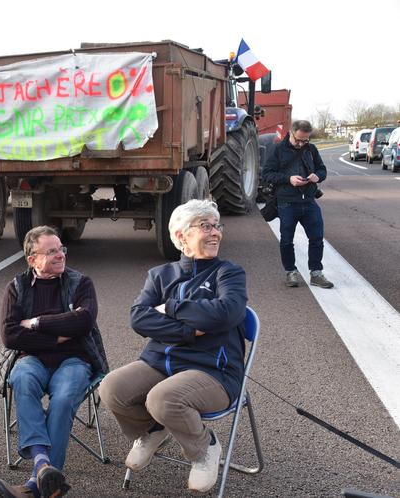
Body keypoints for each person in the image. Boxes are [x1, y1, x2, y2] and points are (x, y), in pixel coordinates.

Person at [99, 199, 247, 493]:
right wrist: (192, 330)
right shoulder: (160, 275)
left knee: (163, 399)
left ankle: (205, 449)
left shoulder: (228, 273)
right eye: (206, 226)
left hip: (213, 371)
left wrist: (170, 306)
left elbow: (227, 312)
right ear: (181, 236)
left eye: (217, 225)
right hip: (159, 363)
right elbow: (139, 318)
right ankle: (153, 430)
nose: (215, 232)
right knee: (111, 388)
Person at [0, 226, 108, 498]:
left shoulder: (81, 283)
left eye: (61, 249)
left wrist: (37, 323)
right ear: (32, 259)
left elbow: (84, 321)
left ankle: (36, 481)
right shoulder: (16, 288)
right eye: (51, 251)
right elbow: (10, 336)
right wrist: (58, 338)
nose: (60, 255)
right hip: (32, 359)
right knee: (22, 379)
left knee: (64, 399)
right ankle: (44, 468)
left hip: (75, 361)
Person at [261, 119, 334, 289]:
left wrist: (318, 176)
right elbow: (267, 174)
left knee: (316, 238)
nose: (301, 144)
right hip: (287, 202)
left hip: (308, 200)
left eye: (305, 140)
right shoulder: (279, 150)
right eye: (298, 139)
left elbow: (322, 169)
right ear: (291, 133)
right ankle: (291, 272)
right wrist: (289, 179)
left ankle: (316, 273)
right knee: (286, 240)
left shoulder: (311, 149)